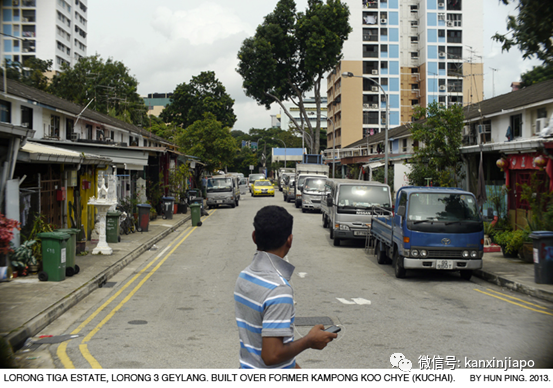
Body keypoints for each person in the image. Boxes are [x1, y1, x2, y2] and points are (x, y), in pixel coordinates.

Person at [234, 206, 337, 369]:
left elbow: (259, 345)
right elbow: (271, 355)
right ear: (289, 240)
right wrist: (309, 341)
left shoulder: (244, 276)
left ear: (254, 237)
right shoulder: (278, 290)